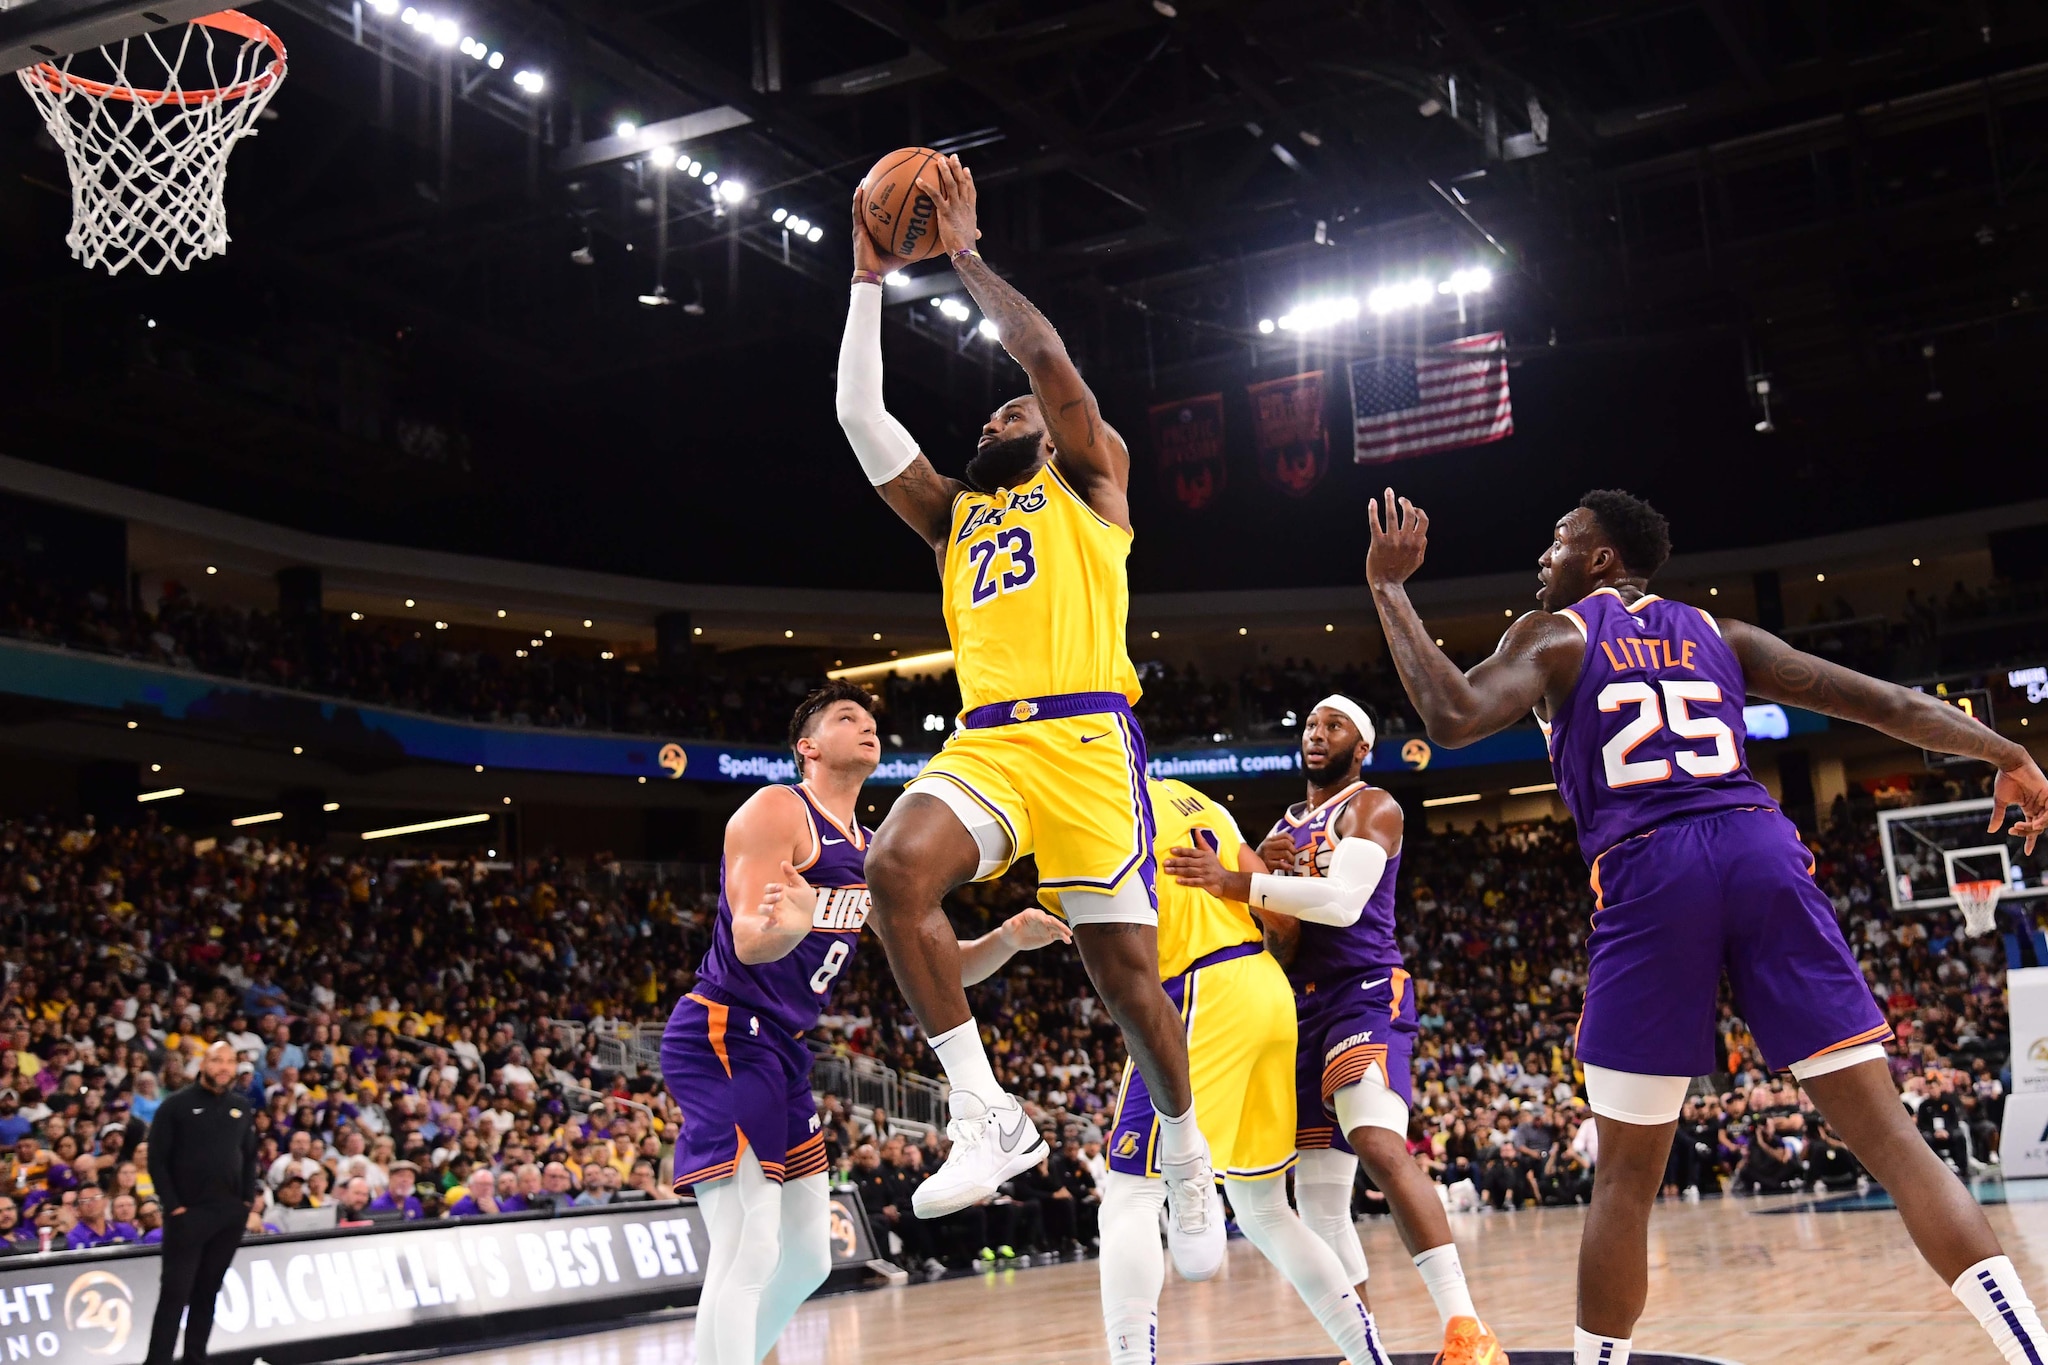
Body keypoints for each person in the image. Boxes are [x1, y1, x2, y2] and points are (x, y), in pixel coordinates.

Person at [1361, 485, 2048, 1365]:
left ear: (1602, 559)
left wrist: (1389, 589)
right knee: (1893, 1141)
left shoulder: (1556, 634)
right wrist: (2007, 751)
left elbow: (1451, 717)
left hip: (1653, 868)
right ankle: (2029, 1347)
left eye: (1560, 538)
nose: (1545, 554)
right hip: (1761, 849)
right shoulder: (1722, 634)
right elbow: (1877, 702)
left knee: (1625, 1178)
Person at [834, 154, 1219, 1265]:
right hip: (990, 741)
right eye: (994, 409)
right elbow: (859, 410)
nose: (1000, 413)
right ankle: (983, 1113)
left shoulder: (1093, 484)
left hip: (1091, 740)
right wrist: (866, 277)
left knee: (1122, 979)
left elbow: (1044, 358)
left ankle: (1185, 1156)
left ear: (1052, 434)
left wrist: (960, 258)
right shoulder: (952, 515)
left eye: (1018, 411)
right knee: (894, 872)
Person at [661, 684, 1067, 1365]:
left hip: (784, 1049)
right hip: (724, 1030)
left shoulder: (878, 851)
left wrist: (1007, 937)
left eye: (871, 720)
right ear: (808, 747)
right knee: (749, 1244)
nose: (866, 725)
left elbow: (948, 970)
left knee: (808, 1258)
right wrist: (792, 924)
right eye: (846, 717)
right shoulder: (776, 808)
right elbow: (755, 938)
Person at [1167, 699, 1505, 1364]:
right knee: (1320, 1203)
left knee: (1377, 1140)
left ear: (1363, 745)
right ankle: (1363, 1349)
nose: (1318, 734)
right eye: (1311, 726)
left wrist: (1240, 881)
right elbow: (1285, 943)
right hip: (1298, 1007)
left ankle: (1468, 1329)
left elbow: (1345, 903)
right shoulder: (1282, 828)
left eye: (1335, 726)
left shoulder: (1372, 804)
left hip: (1364, 992)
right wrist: (1266, 887)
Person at [1104, 776, 1388, 1365]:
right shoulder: (1198, 800)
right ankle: (1369, 1357)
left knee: (1129, 1196)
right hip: (1266, 987)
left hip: (1197, 989)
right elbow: (1283, 925)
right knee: (1264, 1210)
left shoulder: (1093, 803)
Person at [142, 1041, 258, 1365]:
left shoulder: (241, 1107)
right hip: (188, 1216)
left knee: (208, 1293)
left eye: (230, 1061)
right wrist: (174, 1206)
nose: (224, 1067)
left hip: (229, 1215)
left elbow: (250, 1156)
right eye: (217, 1060)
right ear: (203, 1063)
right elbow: (156, 1160)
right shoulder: (176, 1105)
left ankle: (196, 1359)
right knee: (175, 1296)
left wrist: (246, 1200)